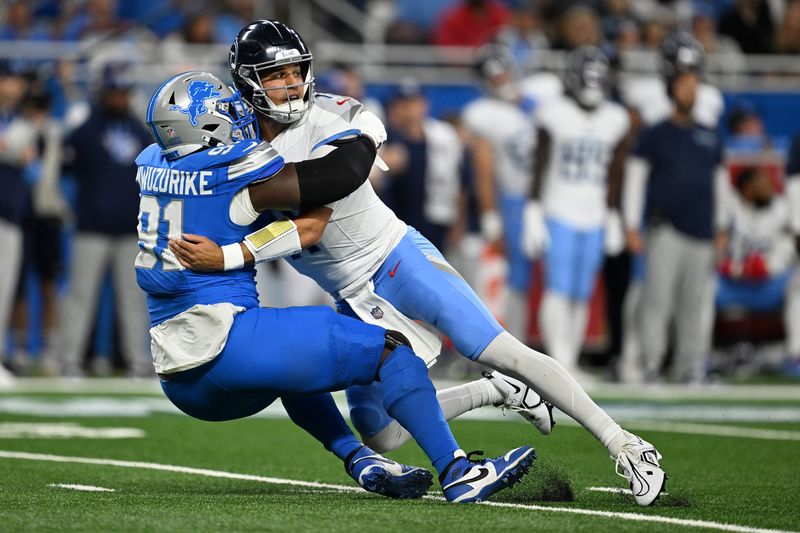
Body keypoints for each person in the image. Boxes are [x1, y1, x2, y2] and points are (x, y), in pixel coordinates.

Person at [171, 20, 667, 506]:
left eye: (297, 71)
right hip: (351, 292)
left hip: (394, 258)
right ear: (247, 81)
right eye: (277, 75)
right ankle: (492, 393)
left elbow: (326, 198)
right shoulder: (230, 136)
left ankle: (624, 444)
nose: (292, 83)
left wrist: (234, 237)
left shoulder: (330, 117)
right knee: (381, 433)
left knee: (495, 346)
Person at [140, 70, 535, 504]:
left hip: (177, 374)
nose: (236, 112)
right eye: (223, 108)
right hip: (228, 348)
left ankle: (358, 456)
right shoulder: (236, 171)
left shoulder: (152, 166)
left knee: (289, 364)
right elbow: (319, 205)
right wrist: (363, 130)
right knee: (391, 349)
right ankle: (458, 470)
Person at [618, 31, 725, 383]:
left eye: (694, 85)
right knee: (657, 301)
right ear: (671, 88)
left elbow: (719, 184)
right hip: (666, 228)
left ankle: (689, 368)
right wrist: (632, 224)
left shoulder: (710, 135)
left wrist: (722, 225)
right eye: (684, 85)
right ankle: (651, 365)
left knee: (694, 306)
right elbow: (635, 179)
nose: (690, 91)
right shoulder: (655, 134)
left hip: (703, 229)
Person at [521, 45, 632, 381]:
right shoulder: (554, 113)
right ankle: (559, 362)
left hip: (594, 213)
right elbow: (539, 165)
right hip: (559, 209)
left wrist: (613, 215)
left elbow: (615, 171)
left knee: (582, 291)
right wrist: (534, 210)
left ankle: (570, 361)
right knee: (558, 288)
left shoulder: (616, 118)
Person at [50, 64, 152, 377]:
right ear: (104, 92)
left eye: (124, 91)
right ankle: (70, 361)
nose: (120, 97)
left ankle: (138, 362)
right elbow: (65, 169)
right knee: (81, 296)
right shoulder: (86, 130)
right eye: (115, 91)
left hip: (128, 230)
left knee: (133, 300)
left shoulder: (138, 130)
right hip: (91, 227)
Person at [715, 167, 800, 363]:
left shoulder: (782, 208)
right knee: (700, 285)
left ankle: (796, 355)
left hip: (769, 286)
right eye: (761, 182)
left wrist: (769, 266)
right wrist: (727, 264)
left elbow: (788, 246)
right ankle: (697, 356)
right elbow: (716, 243)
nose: (769, 187)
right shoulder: (729, 207)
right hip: (731, 285)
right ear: (746, 188)